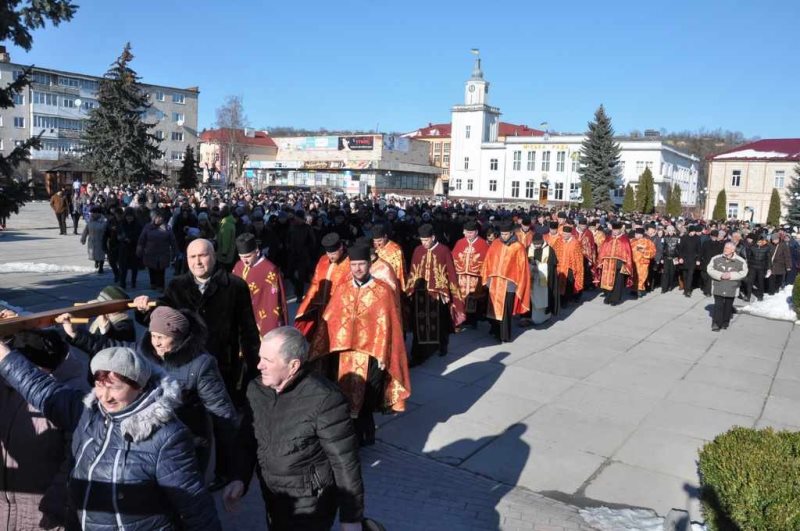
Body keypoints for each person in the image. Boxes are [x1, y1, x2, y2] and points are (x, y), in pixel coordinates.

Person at [0, 342, 221, 530]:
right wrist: (2, 352)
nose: (105, 397)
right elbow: (36, 385)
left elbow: (195, 506)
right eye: (98, 385)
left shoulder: (167, 437)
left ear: (139, 386)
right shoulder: (87, 413)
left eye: (115, 387)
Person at [60, 304, 239, 481]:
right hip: (146, 440)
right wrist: (75, 334)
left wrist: (228, 470)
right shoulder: (143, 351)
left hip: (186, 439)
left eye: (162, 337)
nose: (156, 342)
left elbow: (221, 413)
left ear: (178, 336)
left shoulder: (200, 364)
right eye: (153, 336)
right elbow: (111, 347)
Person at [223, 327, 365, 531]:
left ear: (293, 366)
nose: (259, 365)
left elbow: (345, 463)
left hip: (310, 503)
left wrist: (351, 518)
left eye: (268, 361)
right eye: (260, 357)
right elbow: (247, 440)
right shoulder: (256, 389)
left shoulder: (325, 399)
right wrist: (238, 478)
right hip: (274, 496)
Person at [132, 238, 260, 407]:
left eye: (202, 255)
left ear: (213, 256)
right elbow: (160, 317)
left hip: (222, 365)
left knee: (222, 416)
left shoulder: (235, 286)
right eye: (192, 257)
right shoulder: (176, 286)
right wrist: (143, 309)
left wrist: (254, 370)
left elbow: (248, 331)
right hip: (184, 367)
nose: (197, 262)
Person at [0, 330, 87, 531]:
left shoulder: (73, 397)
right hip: (5, 509)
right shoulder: (5, 388)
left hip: (43, 515)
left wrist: (57, 504)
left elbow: (76, 462)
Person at [324, 244, 410, 445]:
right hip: (345, 353)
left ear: (370, 264)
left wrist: (384, 354)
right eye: (353, 265)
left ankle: (366, 434)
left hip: (372, 354)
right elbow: (331, 317)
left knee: (367, 396)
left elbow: (390, 325)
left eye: (361, 264)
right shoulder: (343, 288)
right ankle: (353, 435)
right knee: (345, 394)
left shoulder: (382, 291)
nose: (357, 269)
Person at [405, 224, 465, 365]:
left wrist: (453, 295)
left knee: (439, 322)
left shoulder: (443, 250)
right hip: (420, 294)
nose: (423, 243)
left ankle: (441, 345)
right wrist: (409, 290)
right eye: (421, 240)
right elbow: (413, 271)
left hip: (438, 294)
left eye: (426, 240)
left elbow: (451, 272)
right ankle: (418, 354)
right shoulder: (418, 250)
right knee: (419, 324)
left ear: (433, 237)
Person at [294, 233, 351, 361]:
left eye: (334, 253)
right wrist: (309, 301)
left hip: (340, 313)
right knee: (320, 342)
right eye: (328, 253)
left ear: (341, 248)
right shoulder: (323, 260)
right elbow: (315, 282)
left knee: (337, 342)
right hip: (322, 310)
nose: (331, 256)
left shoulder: (350, 263)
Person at [482, 219, 531, 342]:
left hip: (508, 284)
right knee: (492, 309)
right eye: (502, 234)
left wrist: (517, 283)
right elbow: (488, 260)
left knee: (505, 311)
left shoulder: (518, 247)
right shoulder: (495, 244)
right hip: (493, 282)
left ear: (511, 233)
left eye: (506, 234)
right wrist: (486, 278)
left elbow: (522, 267)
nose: (503, 236)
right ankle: (494, 330)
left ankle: (504, 335)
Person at [233, 233, 289, 336]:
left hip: (261, 317)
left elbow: (274, 302)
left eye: (248, 256)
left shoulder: (270, 270)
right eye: (241, 257)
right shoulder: (238, 266)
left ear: (257, 252)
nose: (244, 261)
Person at [451, 220, 490, 329]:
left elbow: (487, 260)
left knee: (474, 298)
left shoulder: (483, 244)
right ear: (464, 232)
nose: (469, 234)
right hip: (462, 276)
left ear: (476, 232)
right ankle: (461, 319)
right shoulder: (460, 242)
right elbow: (453, 257)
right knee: (461, 298)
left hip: (475, 277)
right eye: (467, 232)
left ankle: (473, 320)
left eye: (471, 232)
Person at [707, 241, 749, 331]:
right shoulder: (716, 258)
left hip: (732, 287)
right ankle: (716, 323)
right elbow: (709, 269)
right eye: (725, 248)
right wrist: (720, 275)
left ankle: (725, 322)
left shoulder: (740, 261)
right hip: (718, 286)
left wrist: (731, 275)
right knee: (718, 305)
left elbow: (744, 272)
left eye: (728, 248)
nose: (725, 249)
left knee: (728, 306)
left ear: (733, 250)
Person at [137, 208, 177, 291]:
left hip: (163, 252)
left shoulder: (167, 228)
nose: (160, 219)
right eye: (158, 217)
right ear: (153, 218)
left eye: (161, 217)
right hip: (150, 252)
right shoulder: (147, 227)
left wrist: (174, 251)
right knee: (152, 269)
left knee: (161, 270)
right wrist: (140, 249)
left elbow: (173, 240)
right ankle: (153, 283)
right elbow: (142, 239)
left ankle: (161, 286)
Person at [597, 221, 634, 306]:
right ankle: (608, 296)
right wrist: (601, 261)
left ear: (620, 230)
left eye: (617, 230)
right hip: (608, 263)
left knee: (618, 282)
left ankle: (615, 299)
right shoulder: (608, 238)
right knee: (608, 281)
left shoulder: (624, 239)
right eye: (614, 230)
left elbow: (628, 253)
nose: (615, 232)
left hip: (619, 264)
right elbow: (603, 249)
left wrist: (625, 264)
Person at [528, 232, 560, 324]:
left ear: (542, 242)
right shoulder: (528, 249)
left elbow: (552, 266)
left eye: (539, 243)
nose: (537, 245)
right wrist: (531, 266)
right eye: (535, 244)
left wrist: (539, 266)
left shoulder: (549, 250)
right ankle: (528, 316)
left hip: (544, 281)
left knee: (543, 297)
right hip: (532, 280)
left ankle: (544, 316)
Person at [372, 223, 406, 289]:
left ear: (385, 237)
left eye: (379, 241)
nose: (377, 244)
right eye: (375, 241)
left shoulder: (396, 250)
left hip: (390, 282)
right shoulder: (375, 248)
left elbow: (398, 271)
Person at [558, 226, 585, 305]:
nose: (565, 235)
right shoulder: (558, 241)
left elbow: (578, 257)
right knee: (559, 285)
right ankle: (560, 300)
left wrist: (577, 268)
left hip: (570, 268)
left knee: (568, 285)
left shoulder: (575, 243)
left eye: (567, 234)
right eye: (564, 233)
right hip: (559, 268)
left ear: (570, 234)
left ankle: (566, 301)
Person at [80, 205, 108, 274]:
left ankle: (101, 267)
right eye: (92, 213)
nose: (93, 214)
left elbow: (107, 232)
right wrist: (83, 239)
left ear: (99, 213)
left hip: (101, 240)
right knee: (94, 254)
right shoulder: (90, 221)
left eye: (95, 213)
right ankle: (96, 261)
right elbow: (86, 231)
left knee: (101, 254)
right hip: (92, 241)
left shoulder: (104, 221)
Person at [676, 225, 702, 297]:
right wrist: (680, 258)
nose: (694, 233)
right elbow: (680, 249)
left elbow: (699, 250)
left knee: (690, 275)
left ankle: (688, 291)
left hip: (692, 260)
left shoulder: (697, 238)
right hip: (684, 259)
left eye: (694, 231)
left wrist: (698, 259)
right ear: (689, 231)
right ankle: (685, 289)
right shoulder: (684, 238)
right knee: (685, 276)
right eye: (692, 231)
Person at [631, 228, 656, 298]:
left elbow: (653, 252)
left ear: (641, 234)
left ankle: (640, 290)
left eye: (638, 234)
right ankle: (634, 289)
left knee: (641, 277)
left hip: (642, 263)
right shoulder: (632, 241)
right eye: (635, 234)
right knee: (634, 277)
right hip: (633, 262)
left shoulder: (648, 242)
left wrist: (644, 251)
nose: (636, 235)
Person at [700, 229, 725, 296]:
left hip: (714, 263)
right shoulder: (706, 243)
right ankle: (705, 286)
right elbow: (701, 252)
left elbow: (721, 254)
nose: (714, 237)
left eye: (715, 236)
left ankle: (708, 291)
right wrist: (699, 259)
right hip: (705, 262)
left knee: (709, 277)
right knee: (704, 276)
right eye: (713, 236)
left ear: (717, 237)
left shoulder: (720, 244)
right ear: (710, 236)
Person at [660, 225, 680, 293]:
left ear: (674, 230)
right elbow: (662, 248)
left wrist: (678, 257)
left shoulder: (678, 238)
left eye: (671, 230)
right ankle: (664, 288)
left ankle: (670, 285)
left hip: (674, 258)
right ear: (667, 231)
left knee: (672, 272)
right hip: (666, 257)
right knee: (665, 273)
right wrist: (662, 258)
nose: (670, 232)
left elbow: (679, 249)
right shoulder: (664, 238)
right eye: (669, 230)